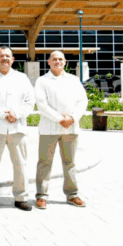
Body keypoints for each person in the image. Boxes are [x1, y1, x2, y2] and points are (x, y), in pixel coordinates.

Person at [0, 46, 36, 212]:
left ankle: (21, 197)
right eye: (1, 56)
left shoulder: (22, 78)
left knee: (21, 164)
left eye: (8, 56)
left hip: (17, 128)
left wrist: (16, 113)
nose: (4, 59)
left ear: (13, 59)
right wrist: (4, 114)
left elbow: (30, 102)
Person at [34, 51, 88, 209]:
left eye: (60, 59)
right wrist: (60, 119)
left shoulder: (73, 80)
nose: (57, 62)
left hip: (71, 128)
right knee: (45, 163)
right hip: (48, 129)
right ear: (48, 62)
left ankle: (72, 195)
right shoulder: (42, 81)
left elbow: (82, 101)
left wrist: (72, 118)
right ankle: (41, 196)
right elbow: (42, 105)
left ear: (64, 62)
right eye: (54, 59)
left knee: (69, 163)